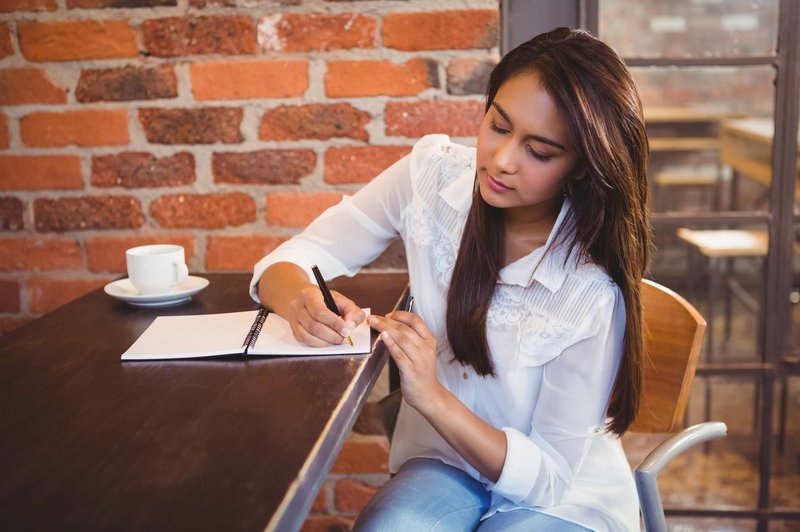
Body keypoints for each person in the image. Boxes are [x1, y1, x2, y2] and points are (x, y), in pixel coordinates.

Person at [250, 27, 651, 531]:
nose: (502, 161)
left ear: (580, 167)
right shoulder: (430, 179)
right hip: (448, 464)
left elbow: (548, 476)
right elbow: (297, 255)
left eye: (541, 152)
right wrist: (298, 300)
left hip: (559, 497)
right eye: (499, 126)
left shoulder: (591, 287)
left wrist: (432, 395)